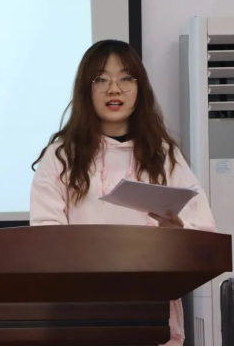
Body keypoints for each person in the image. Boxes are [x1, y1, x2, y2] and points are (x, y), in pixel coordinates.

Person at [30, 40, 216, 346]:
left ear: (140, 87)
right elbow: (45, 233)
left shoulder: (163, 155)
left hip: (151, 307)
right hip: (81, 307)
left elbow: (205, 231)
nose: (114, 89)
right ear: (85, 90)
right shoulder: (62, 156)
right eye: (101, 79)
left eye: (125, 78)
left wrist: (178, 233)